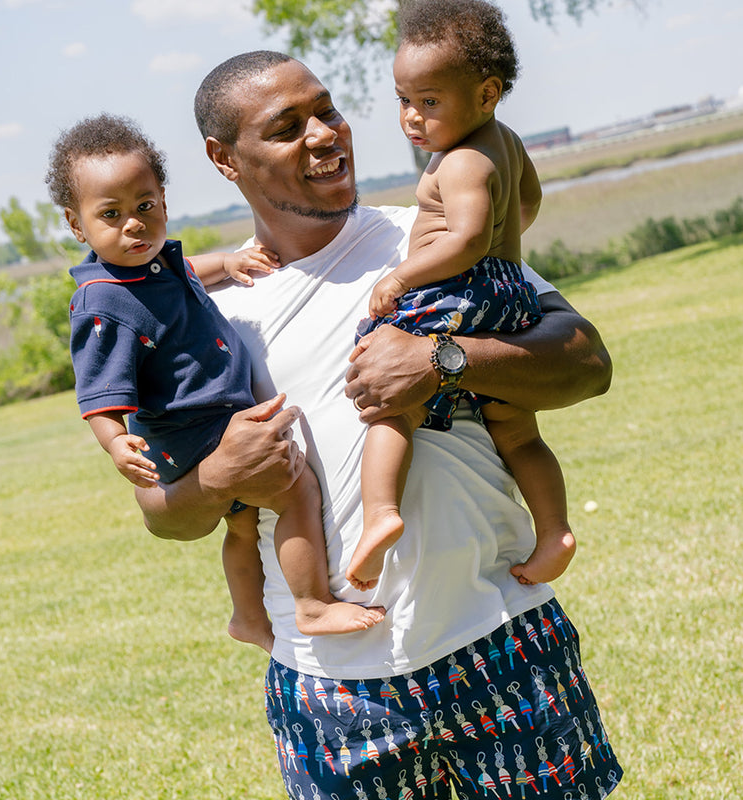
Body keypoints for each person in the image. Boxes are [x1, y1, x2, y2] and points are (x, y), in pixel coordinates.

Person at [136, 46, 623, 799]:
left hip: (501, 638)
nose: (325, 134)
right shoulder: (207, 318)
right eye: (287, 126)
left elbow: (587, 361)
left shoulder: (431, 238)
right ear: (224, 159)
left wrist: (443, 358)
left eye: (327, 111)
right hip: (332, 690)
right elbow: (162, 513)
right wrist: (219, 478)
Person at [45, 114, 385, 653]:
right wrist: (115, 444)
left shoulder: (148, 265)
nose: (134, 224)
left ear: (162, 198)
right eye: (110, 214)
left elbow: (183, 273)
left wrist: (228, 262)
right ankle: (313, 604)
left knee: (244, 525)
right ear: (75, 223)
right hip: (194, 429)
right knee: (297, 492)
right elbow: (99, 390)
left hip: (206, 422)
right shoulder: (102, 302)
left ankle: (248, 617)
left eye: (145, 206)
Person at [346, 0, 575, 594]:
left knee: (393, 401)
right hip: (508, 288)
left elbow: (467, 238)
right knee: (518, 429)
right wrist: (507, 250)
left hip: (453, 291)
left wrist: (402, 277)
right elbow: (525, 205)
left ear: (486, 93)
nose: (411, 118)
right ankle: (554, 531)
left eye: (429, 101)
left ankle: (381, 514)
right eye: (404, 100)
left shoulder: (460, 161)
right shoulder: (506, 142)